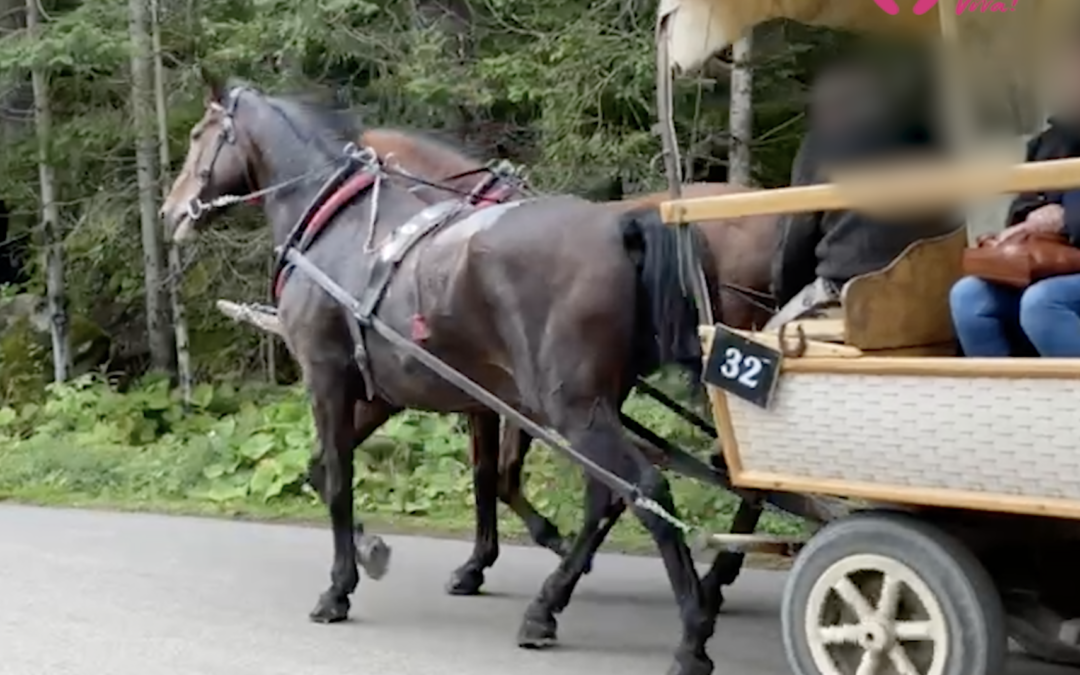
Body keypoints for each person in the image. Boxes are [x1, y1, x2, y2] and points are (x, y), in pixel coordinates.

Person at [766, 53, 959, 329]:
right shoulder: (934, 137)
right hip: (936, 291)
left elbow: (795, 241)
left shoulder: (822, 145)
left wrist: (786, 294)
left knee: (763, 343)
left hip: (851, 291)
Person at [948, 126, 1080, 357]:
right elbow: (1021, 207)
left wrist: (1067, 217)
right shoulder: (1051, 140)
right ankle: (1003, 391)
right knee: (968, 295)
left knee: (1043, 302)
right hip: (1051, 262)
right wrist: (1033, 220)